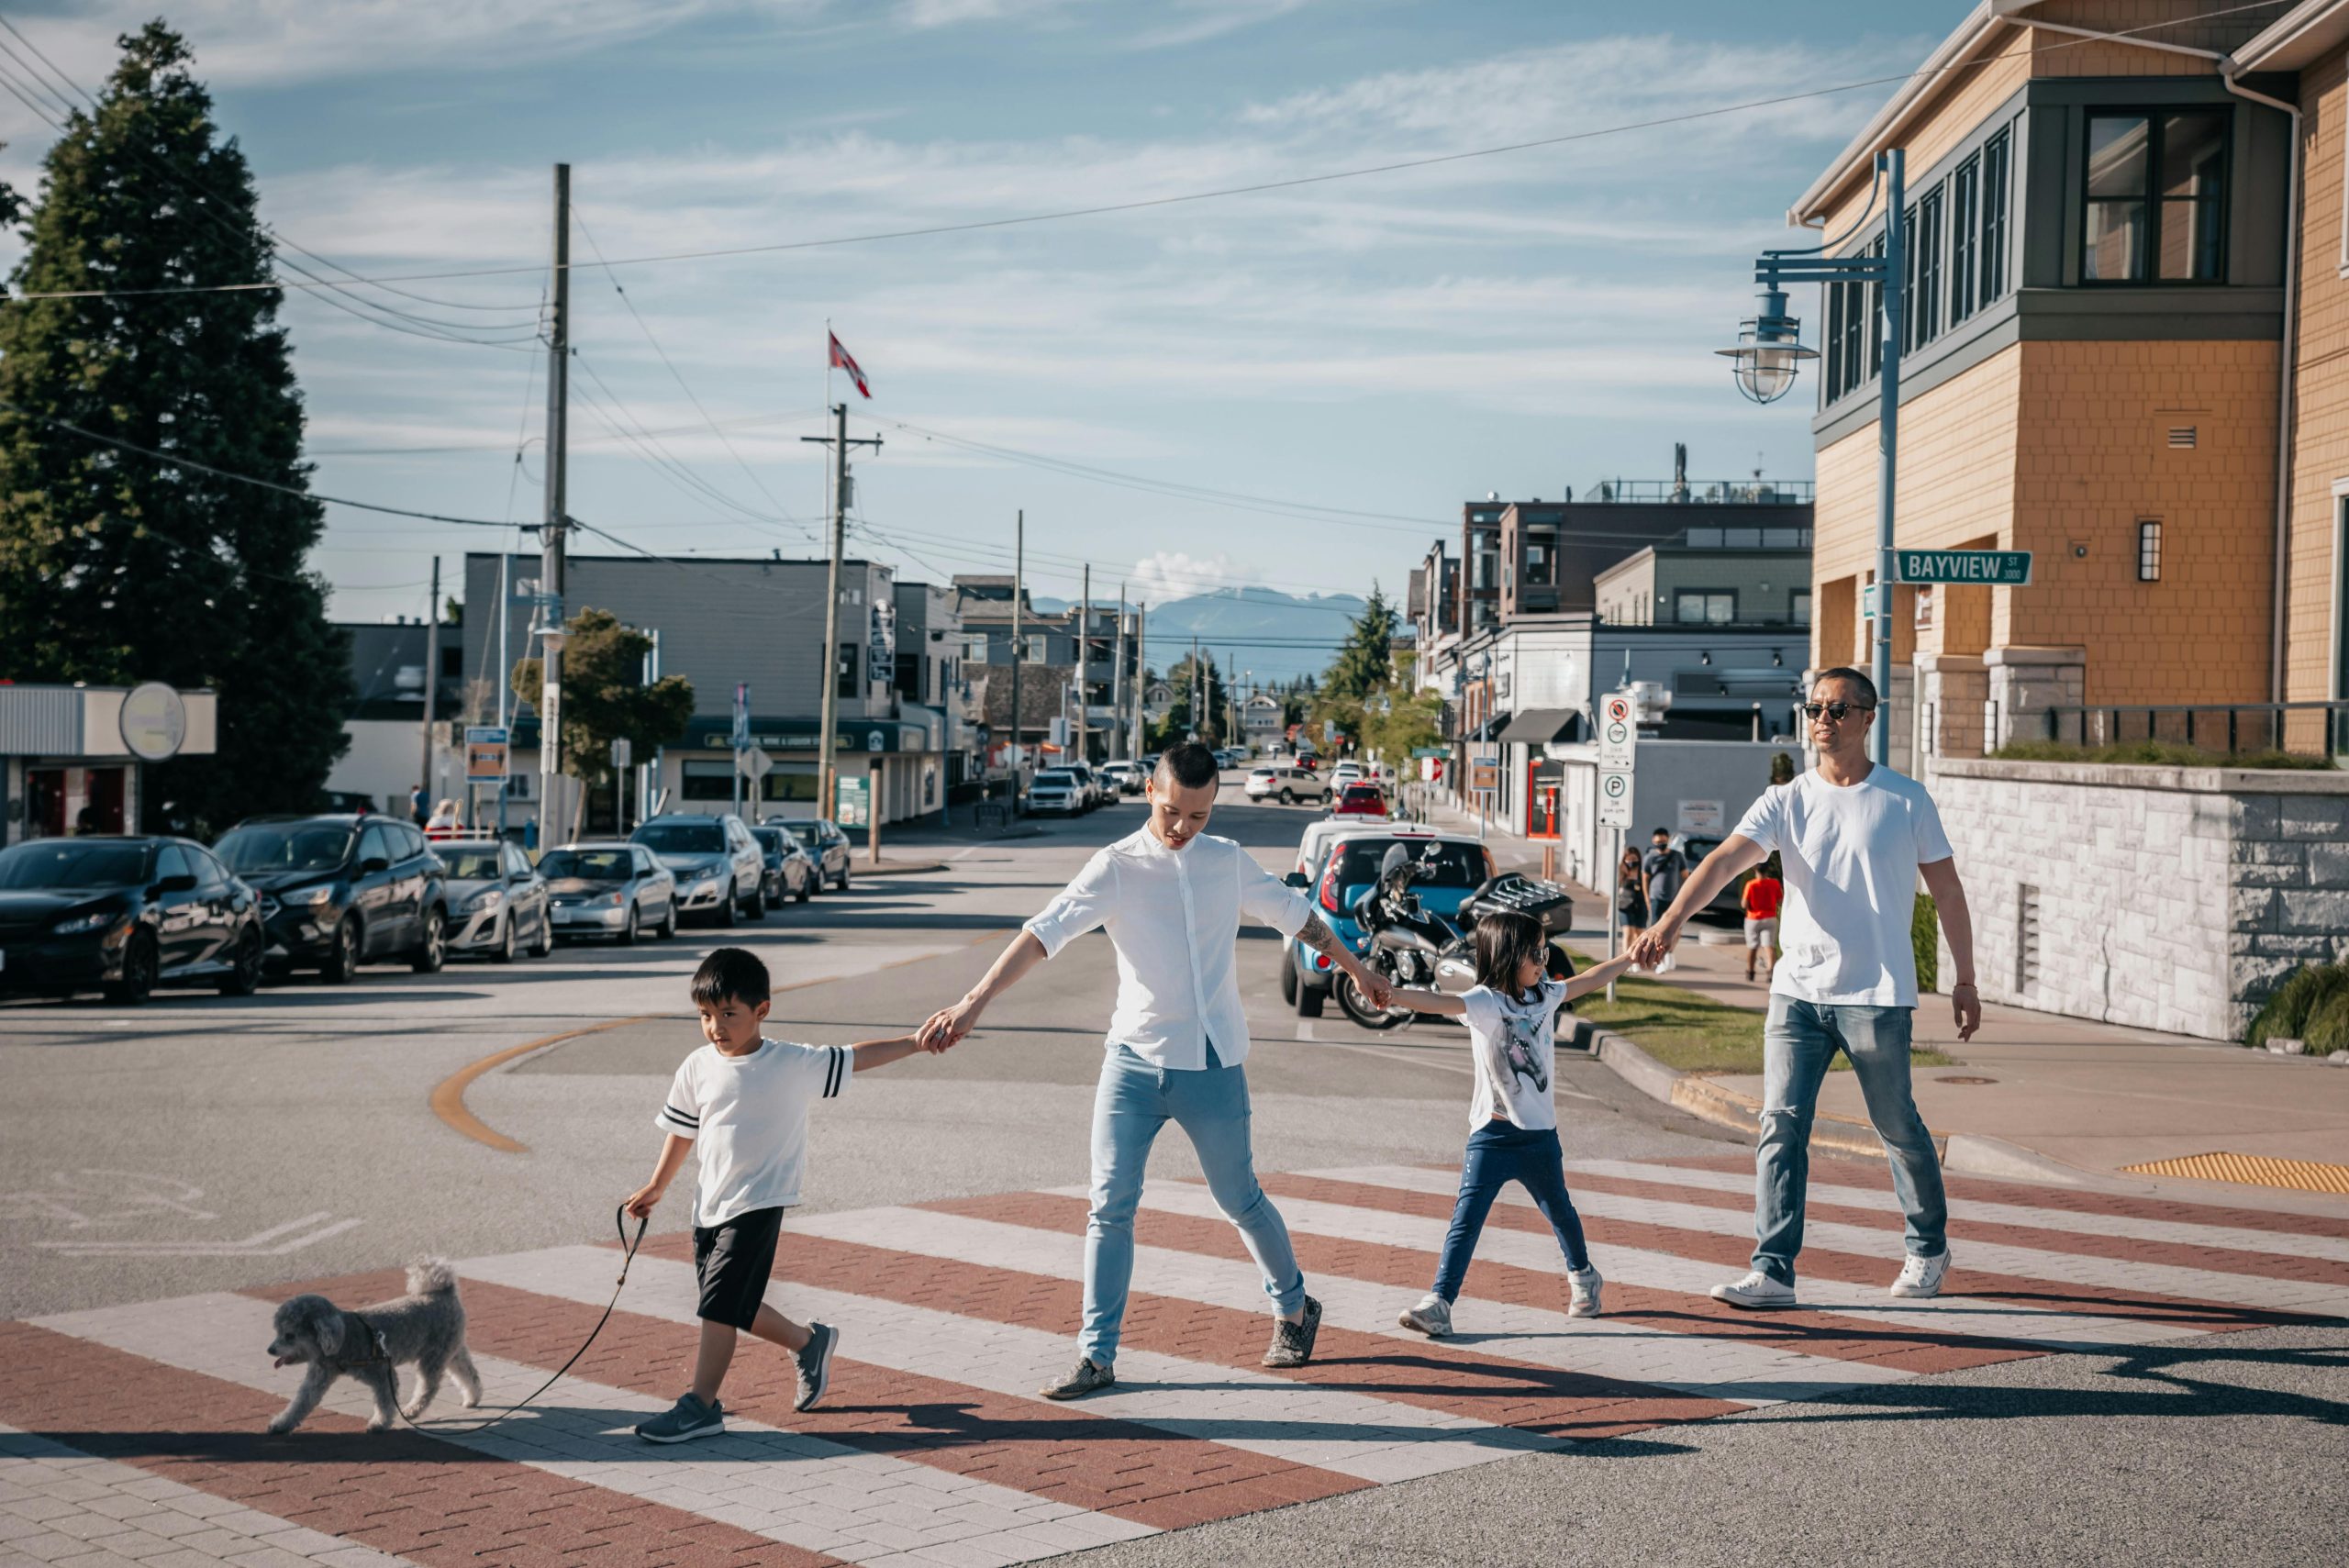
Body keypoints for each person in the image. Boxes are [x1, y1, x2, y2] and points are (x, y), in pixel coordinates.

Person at [918, 741, 1392, 1399]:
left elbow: (1299, 916)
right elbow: (1041, 933)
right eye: (1172, 811)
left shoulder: (1225, 862)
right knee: (1108, 1207)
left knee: (1240, 1198)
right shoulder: (1114, 868)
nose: (1182, 828)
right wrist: (973, 1003)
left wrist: (1357, 967)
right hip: (1133, 1064)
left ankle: (1294, 1307)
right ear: (1148, 790)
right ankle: (1096, 1354)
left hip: (1212, 1063)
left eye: (1197, 816)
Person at [1633, 668, 1980, 1309]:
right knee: (1780, 1124)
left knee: (1897, 1124)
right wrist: (1669, 921)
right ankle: (1773, 1269)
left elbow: (1949, 891)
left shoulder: (1906, 800)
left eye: (1838, 707)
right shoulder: (1785, 799)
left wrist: (1963, 977)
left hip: (1876, 995)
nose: (1823, 717)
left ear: (1868, 718)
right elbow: (1722, 862)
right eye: (1814, 706)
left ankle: (1928, 1247)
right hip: (1796, 991)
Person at [623, 947, 949, 1443]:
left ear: (762, 1011)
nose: (716, 1027)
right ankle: (808, 1343)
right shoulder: (697, 1066)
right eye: (706, 1016)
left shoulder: (790, 1061)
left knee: (717, 1307)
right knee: (733, 1304)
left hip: (758, 1202)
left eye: (729, 1014)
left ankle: (701, 1405)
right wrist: (657, 1185)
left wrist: (914, 1043)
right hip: (709, 1205)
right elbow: (683, 1130)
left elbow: (856, 1057)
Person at [1387, 910, 1639, 1337]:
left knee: (1560, 1212)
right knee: (1465, 1220)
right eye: (1534, 953)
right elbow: (1439, 1002)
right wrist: (1391, 993)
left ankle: (1584, 1278)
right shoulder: (1485, 1001)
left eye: (1544, 951)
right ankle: (1440, 1303)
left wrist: (1631, 957)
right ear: (1506, 955)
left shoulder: (1545, 995)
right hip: (1491, 1136)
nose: (1543, 960)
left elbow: (1591, 978)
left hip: (1540, 1137)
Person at [1641, 828, 1686, 971]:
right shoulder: (1650, 857)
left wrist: (1683, 896)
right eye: (1658, 842)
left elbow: (1685, 877)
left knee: (1676, 930)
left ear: (1668, 840)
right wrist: (1647, 898)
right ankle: (1659, 960)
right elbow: (1645, 879)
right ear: (1653, 842)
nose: (1661, 844)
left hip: (1674, 899)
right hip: (1656, 898)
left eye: (1663, 841)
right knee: (1657, 931)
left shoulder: (1677, 856)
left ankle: (1669, 953)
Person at [1742, 853, 1784, 983]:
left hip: (1753, 918)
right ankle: (1770, 971)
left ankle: (1750, 971)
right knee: (1768, 946)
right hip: (1770, 917)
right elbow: (1781, 900)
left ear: (1755, 869)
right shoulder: (1774, 883)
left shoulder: (1751, 885)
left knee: (1752, 946)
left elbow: (1744, 904)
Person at [1615, 847, 1649, 964]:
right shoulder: (1621, 873)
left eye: (1634, 859)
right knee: (1628, 932)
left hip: (1640, 906)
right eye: (1628, 859)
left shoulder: (1642, 873)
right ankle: (1627, 961)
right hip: (1624, 906)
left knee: (1639, 934)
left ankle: (1637, 958)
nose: (1631, 862)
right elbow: (1614, 891)